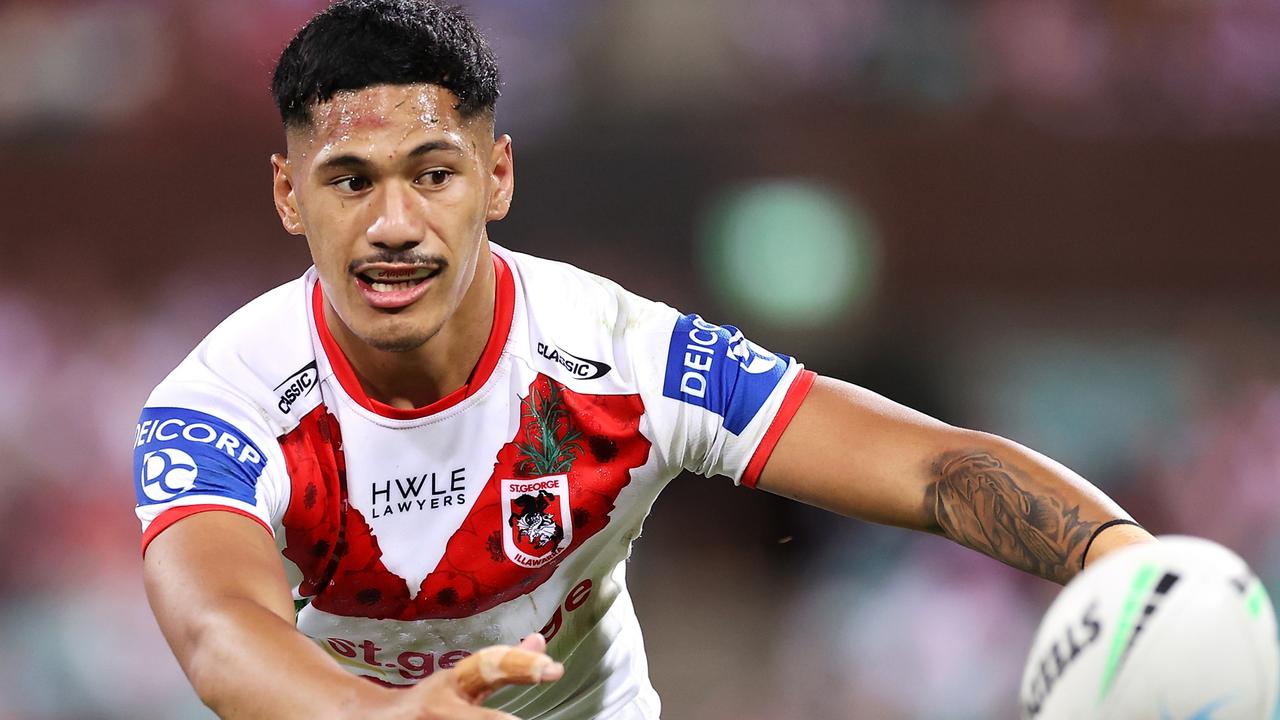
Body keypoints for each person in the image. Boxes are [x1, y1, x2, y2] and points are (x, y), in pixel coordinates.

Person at [132, 1, 1155, 718]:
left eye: (432, 173)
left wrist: (1133, 569)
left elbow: (932, 470)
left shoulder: (621, 359)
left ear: (495, 177)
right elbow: (220, 630)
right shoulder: (222, 405)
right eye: (349, 181)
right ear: (285, 194)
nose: (394, 222)